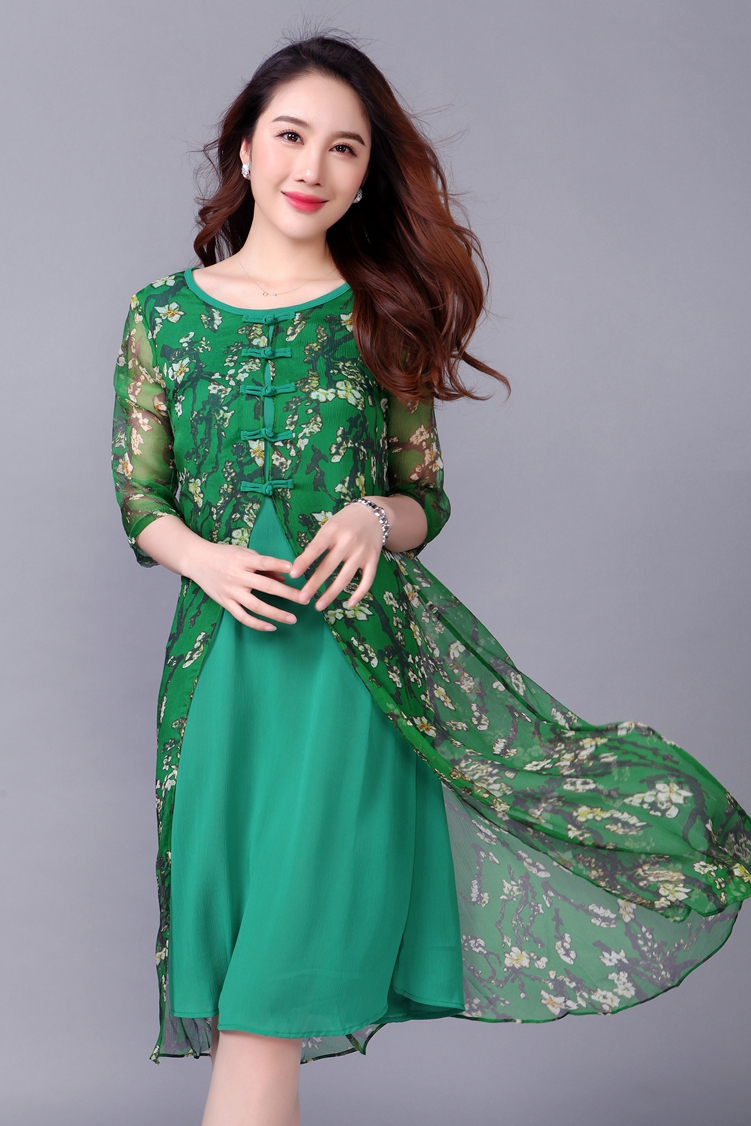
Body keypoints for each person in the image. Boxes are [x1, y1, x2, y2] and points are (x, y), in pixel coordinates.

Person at [112, 33, 751, 1126]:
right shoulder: (161, 315)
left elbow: (423, 498)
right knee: (246, 990)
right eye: (291, 136)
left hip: (352, 676)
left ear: (367, 175)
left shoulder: (380, 310)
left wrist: (374, 516)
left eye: (345, 148)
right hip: (218, 679)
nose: (313, 166)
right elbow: (140, 497)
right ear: (245, 147)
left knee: (267, 997)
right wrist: (204, 556)